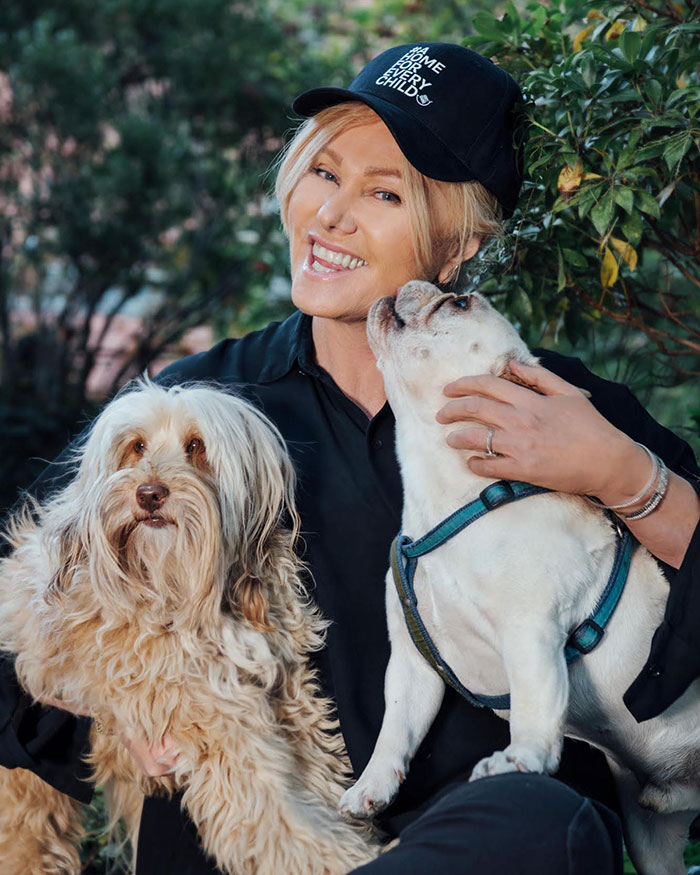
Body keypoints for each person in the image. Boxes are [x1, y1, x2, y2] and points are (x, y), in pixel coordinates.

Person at [1, 42, 699, 875]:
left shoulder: (568, 412)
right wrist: (111, 718)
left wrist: (624, 478)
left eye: (383, 193)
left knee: (540, 815)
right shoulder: (190, 412)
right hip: (251, 854)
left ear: (458, 245)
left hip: (493, 845)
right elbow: (28, 623)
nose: (329, 215)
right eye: (322, 172)